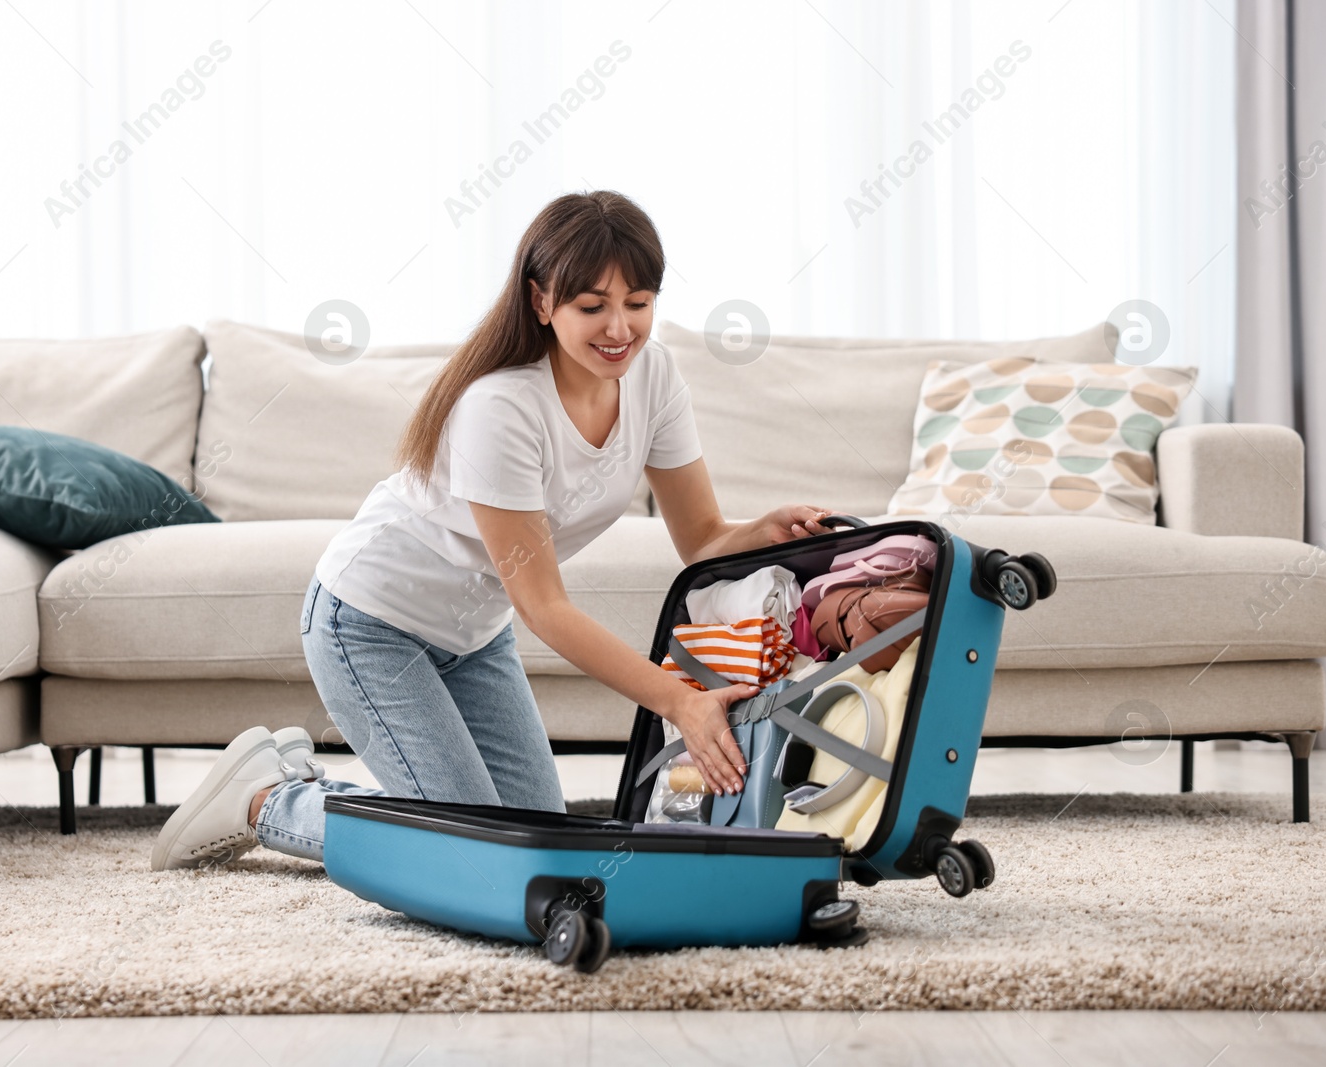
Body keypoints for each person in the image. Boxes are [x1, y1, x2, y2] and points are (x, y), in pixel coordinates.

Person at [151, 190, 835, 871]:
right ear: (543, 302)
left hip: (474, 638)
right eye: (592, 306)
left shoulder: (654, 377)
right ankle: (266, 798)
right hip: (369, 621)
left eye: (638, 303)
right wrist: (680, 701)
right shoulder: (502, 406)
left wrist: (760, 528)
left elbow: (702, 538)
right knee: (474, 857)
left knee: (539, 847)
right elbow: (546, 607)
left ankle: (305, 792)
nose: (620, 328)